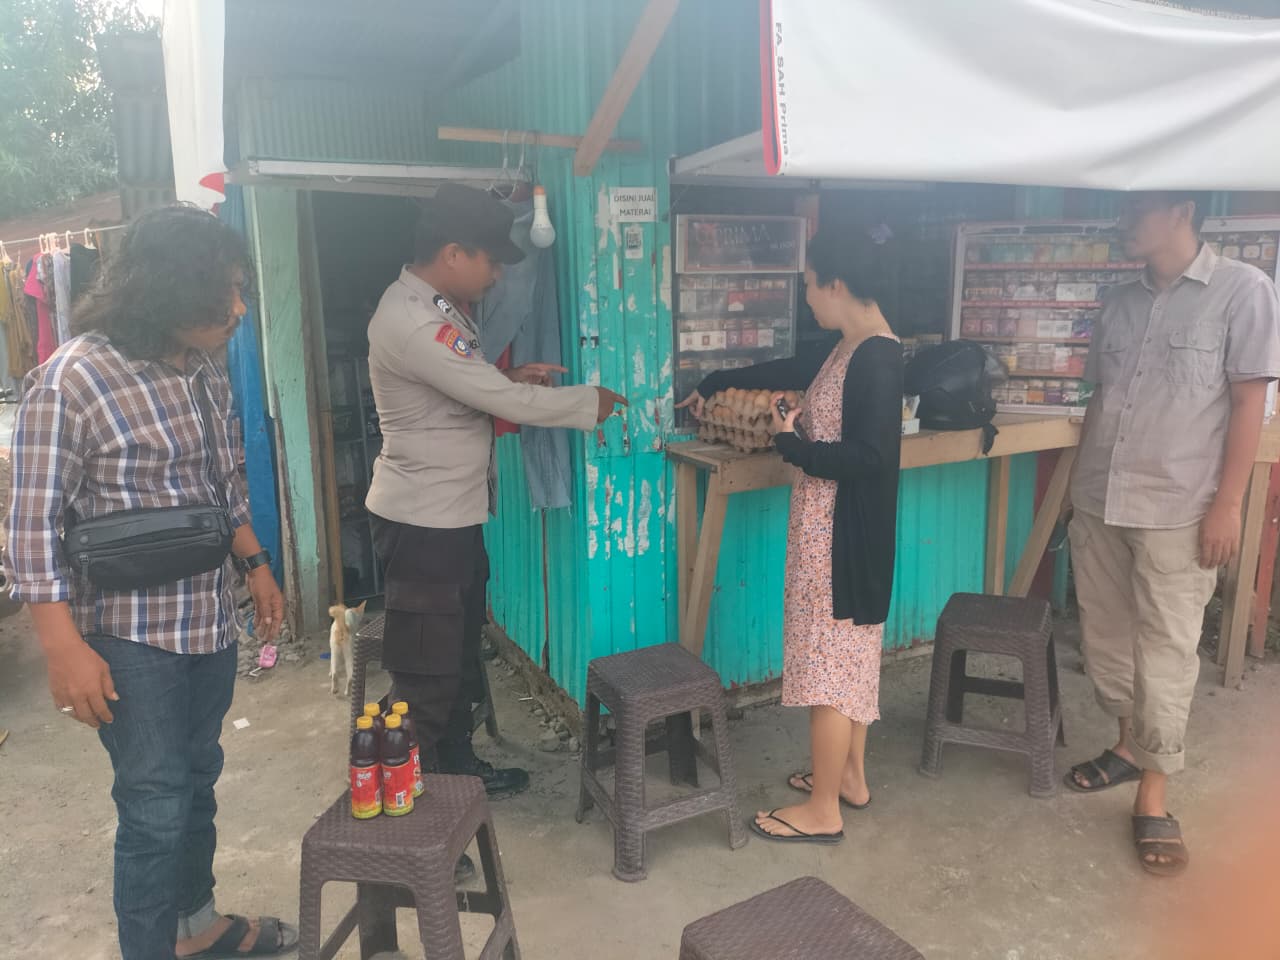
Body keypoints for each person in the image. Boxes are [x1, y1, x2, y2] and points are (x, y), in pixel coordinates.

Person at [4, 205, 294, 959]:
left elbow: (220, 484)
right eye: (224, 291)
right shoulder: (72, 379)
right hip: (127, 635)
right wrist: (63, 650)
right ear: (169, 287)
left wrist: (256, 562)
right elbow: (29, 528)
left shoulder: (202, 369)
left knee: (197, 779)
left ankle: (195, 929)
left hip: (206, 617)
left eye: (240, 290)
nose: (238, 309)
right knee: (154, 803)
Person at [365, 183, 626, 799]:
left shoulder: (435, 307)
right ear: (454, 253)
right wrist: (589, 402)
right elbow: (502, 402)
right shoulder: (413, 320)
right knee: (427, 673)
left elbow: (460, 387)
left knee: (456, 656)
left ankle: (456, 771)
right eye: (490, 260)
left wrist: (504, 375)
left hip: (449, 519)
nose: (497, 274)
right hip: (423, 526)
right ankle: (413, 807)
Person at [1064, 192, 1280, 876]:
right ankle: (1129, 747)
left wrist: (1228, 505)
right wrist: (1076, 491)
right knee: (1106, 641)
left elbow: (1248, 402)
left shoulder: (1243, 291)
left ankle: (1154, 795)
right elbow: (1102, 399)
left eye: (1137, 207)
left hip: (1179, 508)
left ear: (1182, 207)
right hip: (1100, 501)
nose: (1121, 220)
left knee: (1165, 652)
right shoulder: (1119, 302)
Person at [677, 227, 903, 844]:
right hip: (830, 529)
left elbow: (870, 457)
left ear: (836, 284)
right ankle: (849, 778)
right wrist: (717, 379)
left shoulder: (877, 357)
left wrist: (790, 444)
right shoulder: (849, 347)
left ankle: (823, 810)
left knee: (831, 671)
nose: (806, 299)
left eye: (808, 286)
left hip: (842, 540)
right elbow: (790, 369)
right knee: (848, 660)